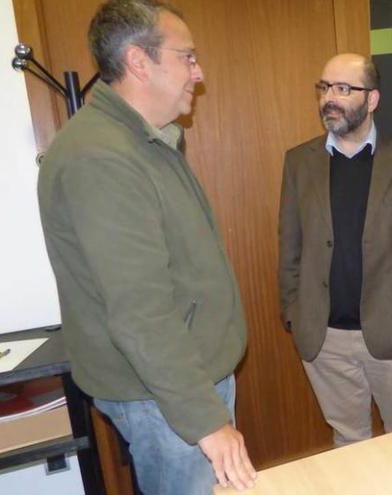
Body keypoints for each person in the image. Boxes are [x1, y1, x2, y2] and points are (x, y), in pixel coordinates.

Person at [37, 1, 256, 492]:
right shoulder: (101, 157)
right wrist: (205, 419)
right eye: (188, 57)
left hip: (180, 385)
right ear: (139, 62)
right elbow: (140, 311)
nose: (198, 74)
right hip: (165, 398)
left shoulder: (142, 140)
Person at [278, 53, 392, 447]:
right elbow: (290, 244)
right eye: (323, 88)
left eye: (342, 88)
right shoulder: (299, 162)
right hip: (325, 338)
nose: (328, 99)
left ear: (372, 99)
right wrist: (293, 312)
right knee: (348, 443)